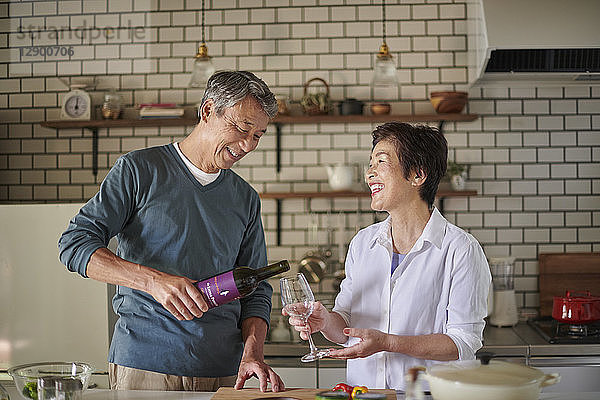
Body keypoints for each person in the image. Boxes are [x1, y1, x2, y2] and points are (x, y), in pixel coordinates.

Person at [58, 71, 285, 393]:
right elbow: (74, 245)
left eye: (258, 135)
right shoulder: (138, 170)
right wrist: (153, 281)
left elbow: (257, 290)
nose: (248, 145)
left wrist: (253, 353)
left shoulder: (245, 197)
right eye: (242, 128)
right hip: (146, 365)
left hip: (225, 372)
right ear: (208, 111)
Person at [285, 122, 491, 391]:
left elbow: (462, 342)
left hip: (428, 395)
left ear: (418, 175)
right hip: (364, 393)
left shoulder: (460, 249)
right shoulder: (363, 243)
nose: (369, 174)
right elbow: (345, 323)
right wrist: (325, 322)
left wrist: (388, 342)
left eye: (381, 162)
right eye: (370, 163)